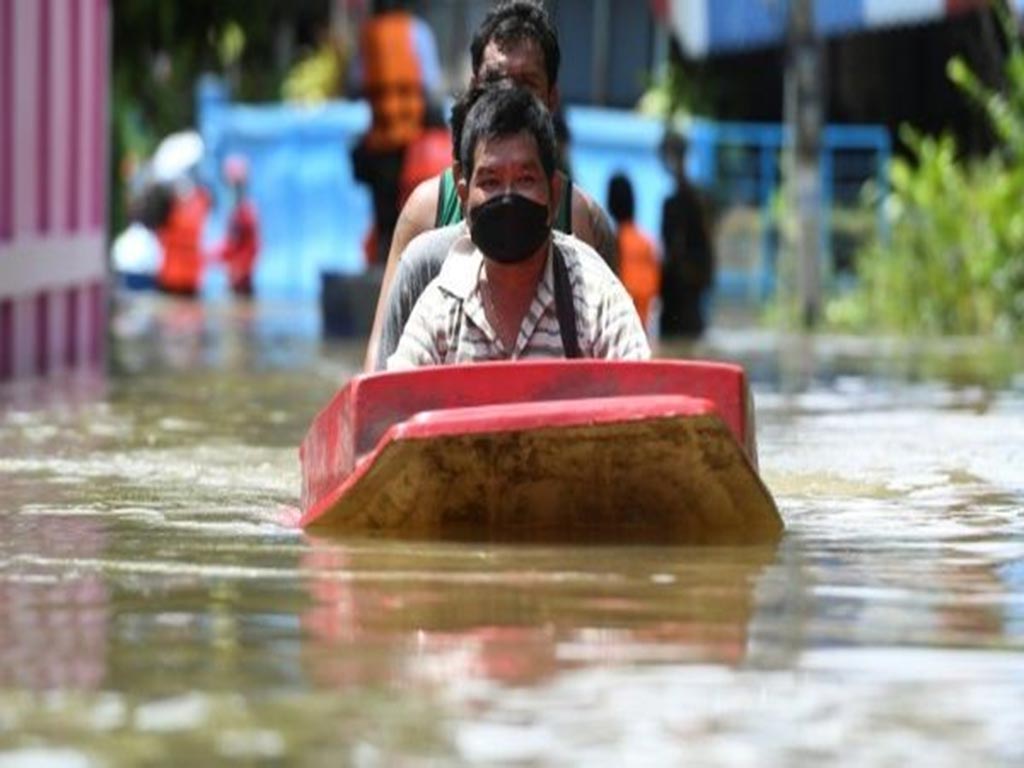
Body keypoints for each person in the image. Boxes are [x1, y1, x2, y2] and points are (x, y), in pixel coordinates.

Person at [364, 0, 618, 370]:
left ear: (551, 99)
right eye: (496, 83)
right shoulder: (425, 214)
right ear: (473, 91)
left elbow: (617, 372)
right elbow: (379, 362)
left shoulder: (581, 222)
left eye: (526, 85)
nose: (509, 100)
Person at [387, 86, 649, 369]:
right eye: (490, 181)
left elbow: (645, 402)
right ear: (464, 195)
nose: (508, 198)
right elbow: (393, 405)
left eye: (525, 179)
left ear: (554, 194)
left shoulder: (594, 298)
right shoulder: (441, 310)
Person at [348, 0, 442, 265]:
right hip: (413, 142)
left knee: (384, 215)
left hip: (380, 141)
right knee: (413, 208)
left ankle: (383, 264)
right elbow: (431, 84)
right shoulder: (418, 31)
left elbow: (355, 84)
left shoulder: (368, 35)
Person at [659, 131, 714, 337]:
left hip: (683, 296)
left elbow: (676, 250)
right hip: (686, 294)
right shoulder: (695, 199)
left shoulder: (679, 203)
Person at [607, 172, 660, 332]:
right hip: (645, 326)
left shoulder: (612, 243)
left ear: (610, 203)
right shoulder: (648, 243)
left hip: (621, 328)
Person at [216, 154, 260, 297]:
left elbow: (250, 246)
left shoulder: (245, 213)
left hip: (241, 279)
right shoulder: (238, 212)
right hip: (236, 277)